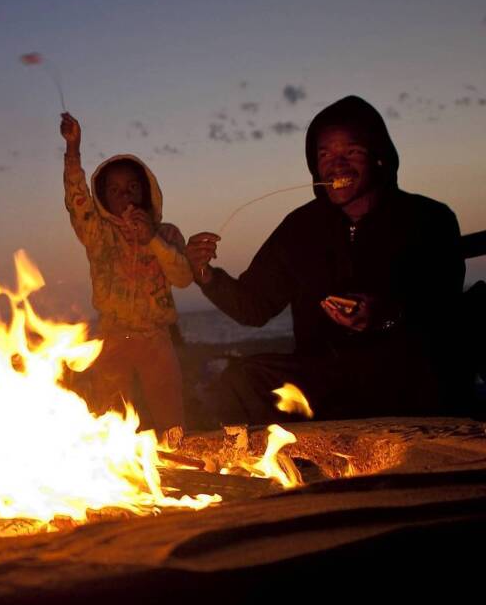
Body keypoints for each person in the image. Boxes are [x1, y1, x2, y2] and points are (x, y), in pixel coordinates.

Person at [186, 95, 465, 423]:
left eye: (352, 152)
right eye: (325, 154)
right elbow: (253, 306)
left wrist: (386, 314)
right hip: (323, 381)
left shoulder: (429, 219)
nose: (338, 164)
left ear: (378, 157)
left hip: (402, 373)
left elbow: (443, 307)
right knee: (240, 381)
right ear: (314, 166)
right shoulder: (300, 227)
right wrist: (206, 275)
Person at [60, 113, 193, 437]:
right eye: (114, 189)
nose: (125, 195)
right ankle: (117, 464)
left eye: (133, 187)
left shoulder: (167, 233)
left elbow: (183, 277)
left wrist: (152, 238)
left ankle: (181, 467)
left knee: (170, 417)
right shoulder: (99, 234)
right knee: (111, 415)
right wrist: (73, 150)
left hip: (157, 338)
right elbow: (77, 202)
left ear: (147, 192)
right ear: (103, 199)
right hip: (113, 337)